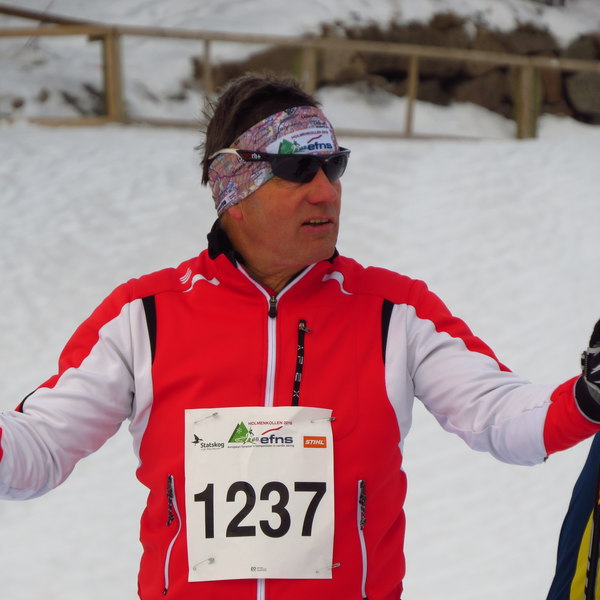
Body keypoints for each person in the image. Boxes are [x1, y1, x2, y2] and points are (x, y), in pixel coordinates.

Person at [1, 72, 599, 600]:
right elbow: (41, 448)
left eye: (333, 166)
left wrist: (586, 396)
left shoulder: (394, 311)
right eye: (296, 170)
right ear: (231, 186)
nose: (325, 190)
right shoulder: (145, 316)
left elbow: (503, 418)